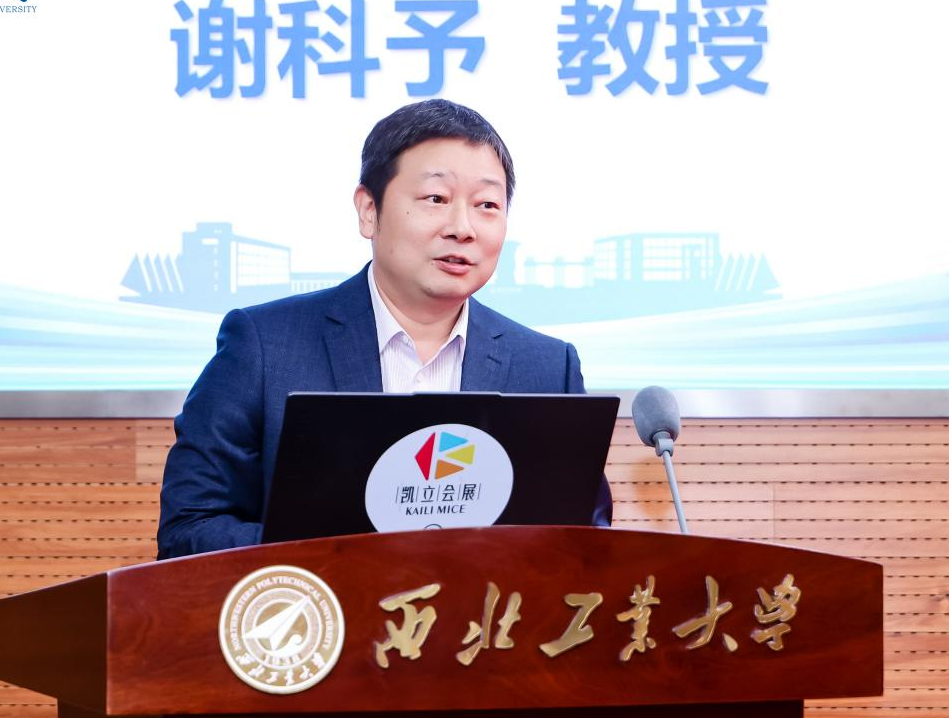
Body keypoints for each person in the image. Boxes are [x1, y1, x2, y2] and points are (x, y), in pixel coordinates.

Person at [157, 99, 611, 559]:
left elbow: (587, 541)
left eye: (487, 205)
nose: (463, 228)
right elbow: (189, 530)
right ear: (368, 210)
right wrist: (342, 557)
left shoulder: (548, 367)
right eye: (436, 199)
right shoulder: (264, 345)